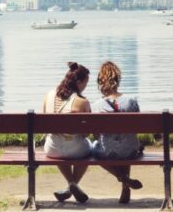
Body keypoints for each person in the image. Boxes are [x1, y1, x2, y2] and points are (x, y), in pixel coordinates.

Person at [91, 61, 143, 204]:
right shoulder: (132, 100)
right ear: (118, 80)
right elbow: (137, 129)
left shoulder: (96, 106)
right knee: (126, 141)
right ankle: (125, 187)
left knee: (92, 150)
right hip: (131, 151)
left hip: (108, 153)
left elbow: (96, 135)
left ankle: (121, 177)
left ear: (101, 82)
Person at [42, 62, 92, 203]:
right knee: (90, 147)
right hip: (76, 150)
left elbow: (43, 125)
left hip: (52, 149)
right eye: (86, 83)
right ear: (78, 82)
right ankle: (72, 185)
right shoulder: (82, 102)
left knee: (58, 146)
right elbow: (87, 133)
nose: (86, 86)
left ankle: (70, 185)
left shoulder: (48, 95)